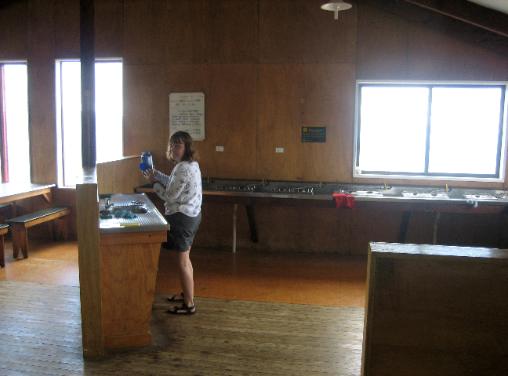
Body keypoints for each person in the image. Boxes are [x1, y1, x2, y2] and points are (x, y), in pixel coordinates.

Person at [143, 131, 202, 315]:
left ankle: (189, 305)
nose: (173, 148)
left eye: (178, 145)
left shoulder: (183, 167)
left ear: (187, 147)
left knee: (183, 262)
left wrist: (153, 184)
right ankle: (187, 294)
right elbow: (174, 183)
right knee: (186, 260)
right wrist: (158, 175)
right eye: (171, 145)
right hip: (191, 216)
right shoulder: (189, 165)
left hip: (182, 218)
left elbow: (169, 195)